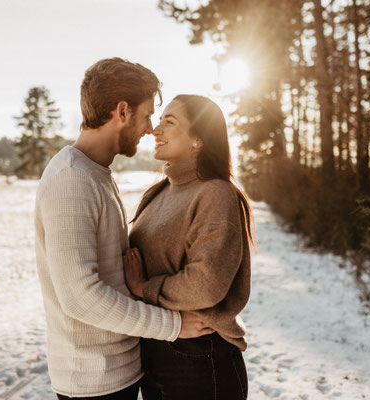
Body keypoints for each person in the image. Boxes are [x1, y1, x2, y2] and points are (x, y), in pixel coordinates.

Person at [34, 59, 212, 400]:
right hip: (93, 382)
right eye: (147, 115)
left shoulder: (95, 173)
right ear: (122, 111)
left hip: (119, 373)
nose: (150, 128)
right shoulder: (71, 180)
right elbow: (80, 298)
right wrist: (173, 327)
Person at [124, 94, 254, 400]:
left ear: (198, 140)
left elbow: (206, 284)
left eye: (169, 122)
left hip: (200, 359)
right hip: (159, 350)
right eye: (159, 120)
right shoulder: (158, 193)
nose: (156, 130)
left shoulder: (216, 194)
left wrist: (144, 288)